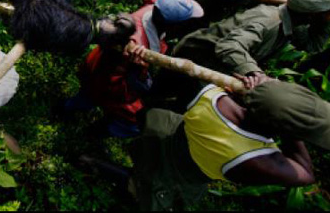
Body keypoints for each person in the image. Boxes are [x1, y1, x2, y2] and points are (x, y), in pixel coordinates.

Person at [130, 74, 329, 210]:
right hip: (179, 175)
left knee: (145, 126)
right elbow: (306, 174)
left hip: (165, 132)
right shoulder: (254, 160)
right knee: (140, 189)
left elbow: (175, 77)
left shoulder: (209, 95)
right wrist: (292, 130)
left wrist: (260, 94)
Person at [70, 0, 215, 137]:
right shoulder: (139, 50)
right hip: (103, 81)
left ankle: (71, 108)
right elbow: (116, 86)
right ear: (174, 26)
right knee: (134, 122)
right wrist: (137, 71)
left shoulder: (150, 11)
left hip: (95, 62)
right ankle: (93, 132)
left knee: (84, 96)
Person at [157, 0, 330, 108]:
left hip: (214, 62)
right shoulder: (267, 22)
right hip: (195, 57)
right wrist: (254, 72)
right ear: (312, 14)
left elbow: (312, 45)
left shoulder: (293, 22)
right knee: (170, 98)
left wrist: (323, 24)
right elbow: (229, 46)